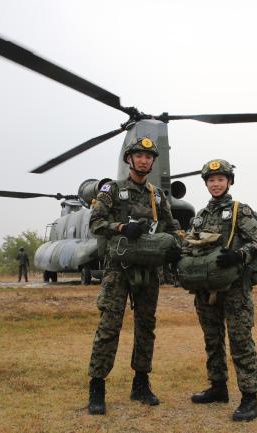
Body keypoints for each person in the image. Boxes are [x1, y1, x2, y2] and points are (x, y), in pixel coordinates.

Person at [86, 137, 181, 415]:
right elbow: (96, 223)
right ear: (129, 159)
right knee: (109, 327)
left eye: (149, 157)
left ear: (153, 162)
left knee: (146, 328)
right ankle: (97, 387)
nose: (143, 160)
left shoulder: (157, 196)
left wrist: (175, 248)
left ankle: (141, 384)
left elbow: (171, 226)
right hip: (119, 271)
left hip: (149, 271)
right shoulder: (112, 191)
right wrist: (121, 228)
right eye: (138, 155)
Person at [187, 159, 257, 421]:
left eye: (220, 179)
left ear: (229, 182)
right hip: (206, 290)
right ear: (206, 184)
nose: (216, 184)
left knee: (241, 342)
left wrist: (237, 256)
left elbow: (256, 243)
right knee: (212, 340)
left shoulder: (241, 211)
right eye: (211, 180)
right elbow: (190, 245)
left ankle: (250, 398)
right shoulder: (200, 216)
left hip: (235, 289)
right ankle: (218, 387)